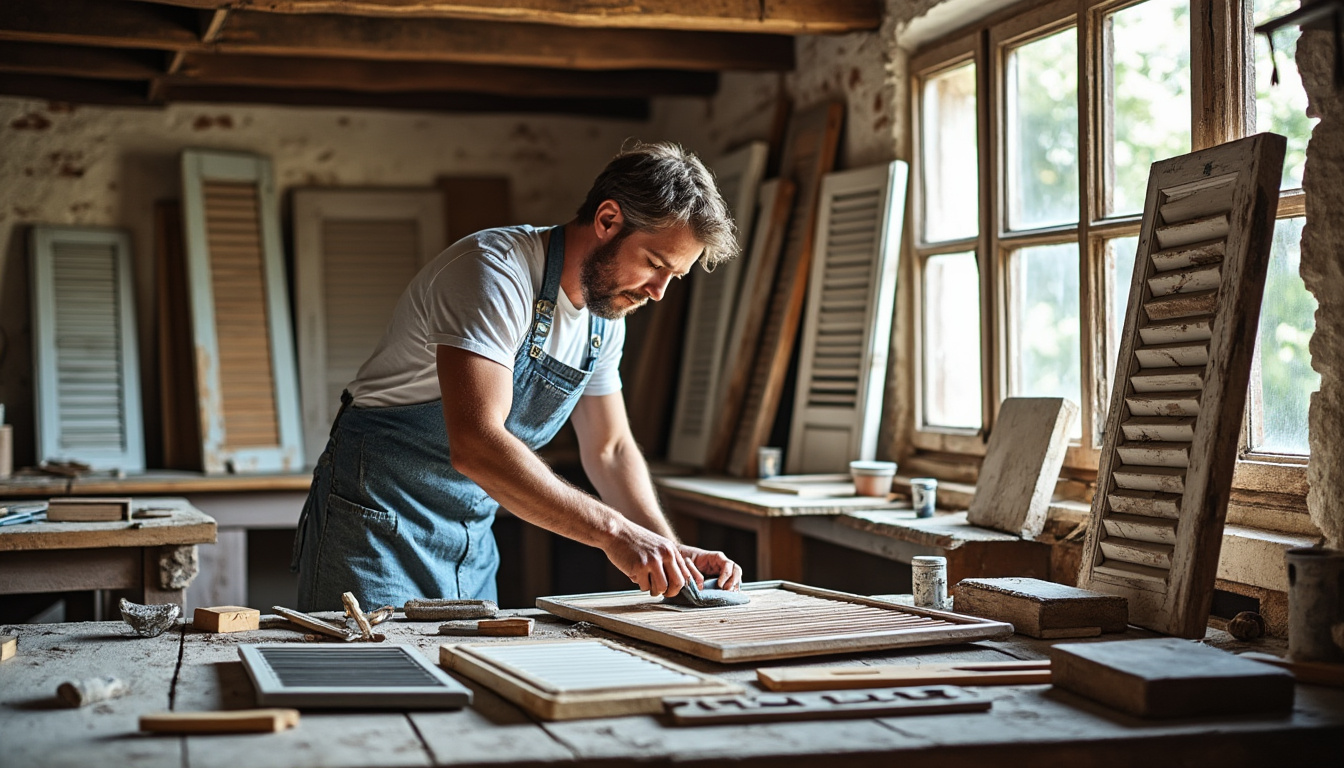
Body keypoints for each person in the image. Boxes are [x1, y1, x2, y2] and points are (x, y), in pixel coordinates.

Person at [292, 141, 745, 611]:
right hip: (376, 528)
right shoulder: (493, 272)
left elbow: (610, 450)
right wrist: (616, 533)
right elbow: (477, 443)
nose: (658, 292)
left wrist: (671, 554)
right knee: (370, 678)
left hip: (469, 540)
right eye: (654, 264)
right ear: (608, 220)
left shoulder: (603, 316)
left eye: (674, 276)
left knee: (460, 677)